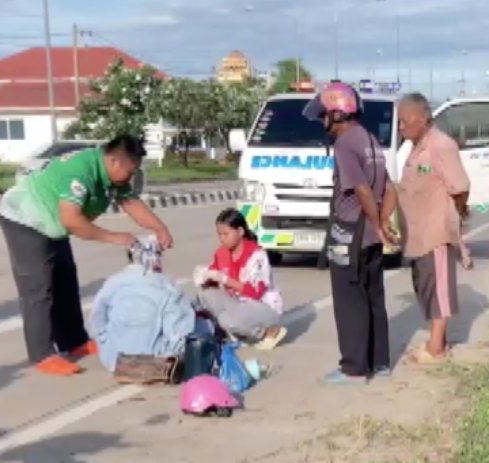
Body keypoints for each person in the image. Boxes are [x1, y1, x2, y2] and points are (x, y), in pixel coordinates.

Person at [0, 134, 174, 376]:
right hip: (26, 218)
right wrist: (116, 237)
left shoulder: (111, 174)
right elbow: (72, 221)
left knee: (65, 280)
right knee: (38, 287)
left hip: (52, 224)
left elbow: (130, 202)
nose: (132, 177)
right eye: (131, 171)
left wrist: (159, 227)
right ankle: (43, 354)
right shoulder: (81, 171)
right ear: (114, 161)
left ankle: (74, 341)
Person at [303, 82, 398, 384]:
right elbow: (391, 188)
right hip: (369, 234)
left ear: (338, 114)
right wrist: (382, 223)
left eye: (324, 116)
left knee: (349, 300)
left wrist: (375, 221)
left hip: (351, 233)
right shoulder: (370, 140)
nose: (321, 122)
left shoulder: (345, 144)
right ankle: (379, 363)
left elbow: (360, 190)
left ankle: (354, 368)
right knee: (373, 297)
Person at [394, 92, 474, 364]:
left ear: (423, 118)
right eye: (399, 122)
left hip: (436, 230)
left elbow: (460, 188)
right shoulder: (415, 148)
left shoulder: (441, 145)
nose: (401, 127)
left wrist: (453, 216)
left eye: (405, 121)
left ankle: (436, 348)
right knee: (425, 286)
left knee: (439, 287)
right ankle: (437, 339)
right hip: (417, 233)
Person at [89, 236, 196, 372]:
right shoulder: (168, 286)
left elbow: (96, 320)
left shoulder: (113, 283)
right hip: (156, 360)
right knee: (200, 325)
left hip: (114, 360)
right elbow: (179, 333)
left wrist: (107, 344)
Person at [193, 209, 287, 350]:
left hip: (262, 306)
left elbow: (254, 292)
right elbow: (214, 278)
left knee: (227, 319)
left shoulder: (257, 256)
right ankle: (235, 332)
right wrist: (205, 277)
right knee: (204, 296)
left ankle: (267, 332)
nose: (222, 238)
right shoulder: (221, 253)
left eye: (226, 234)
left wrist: (224, 279)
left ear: (240, 232)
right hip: (237, 304)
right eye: (220, 234)